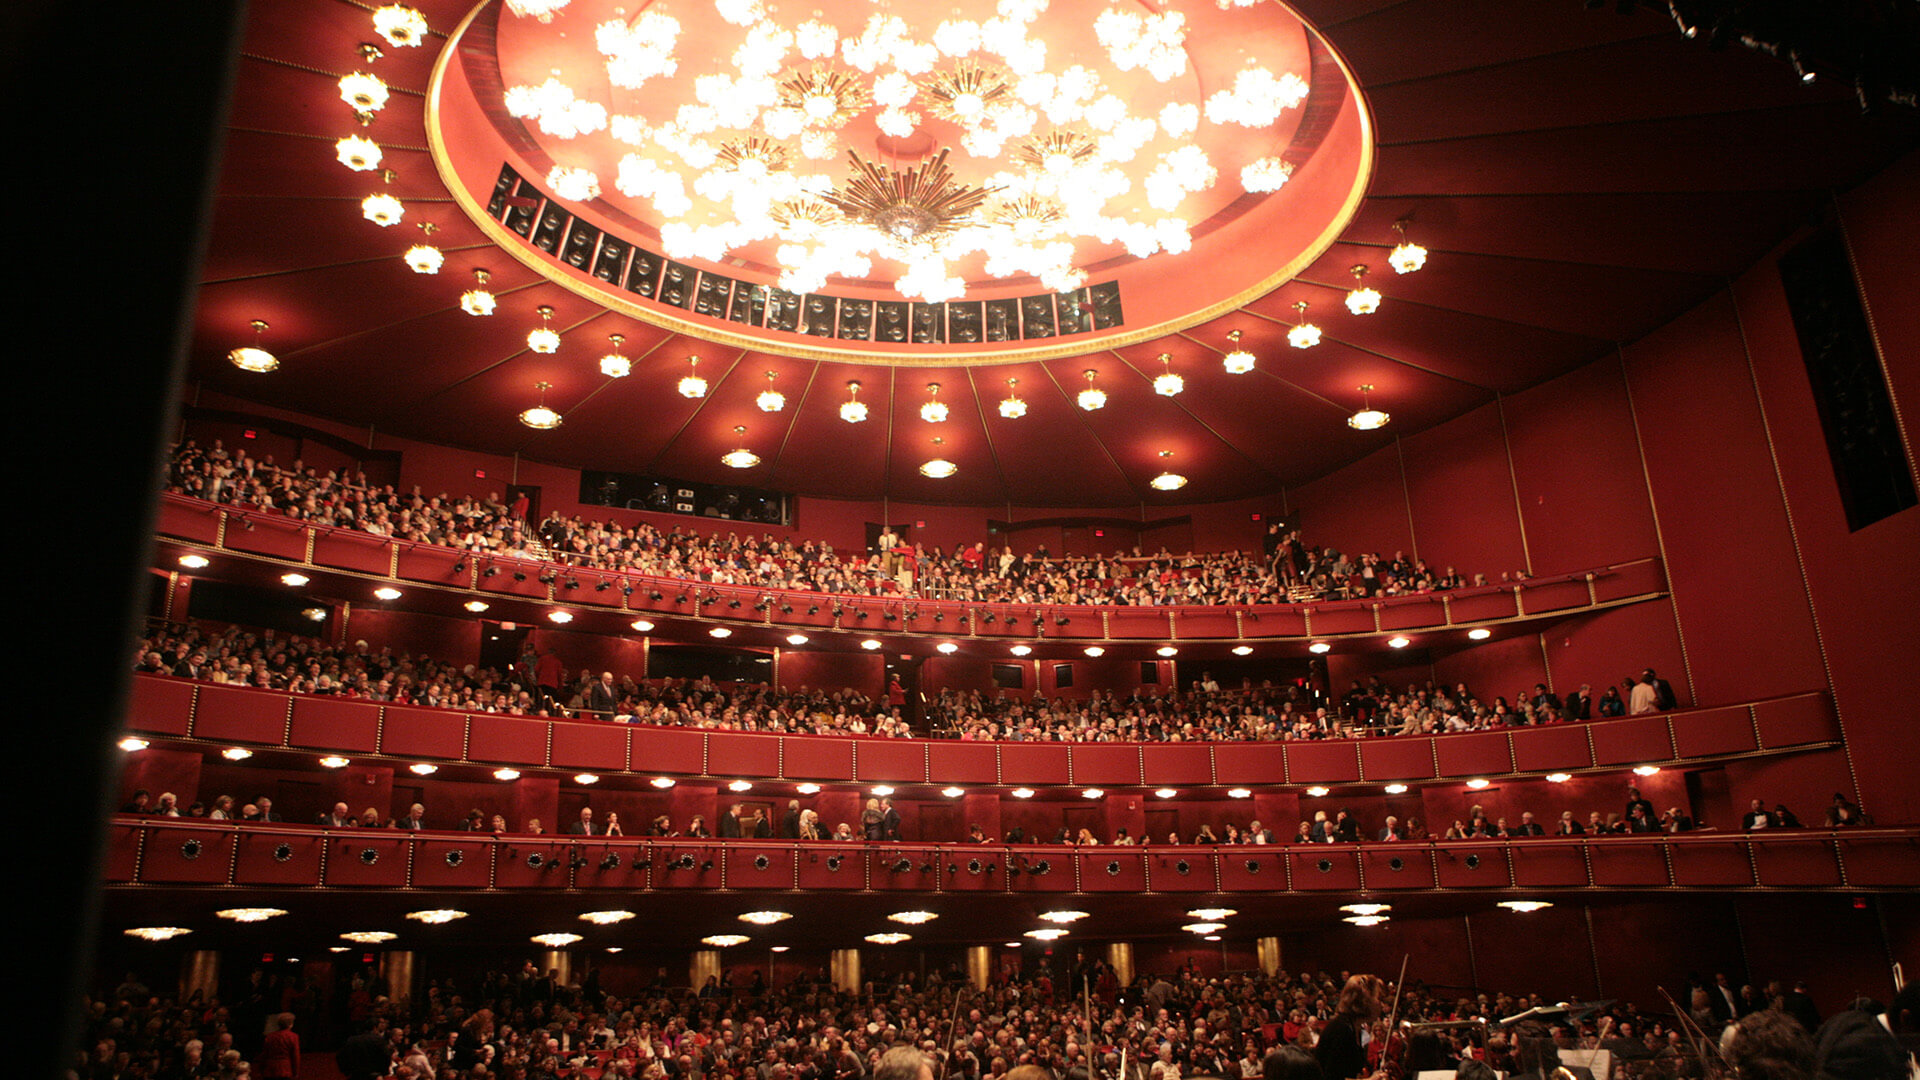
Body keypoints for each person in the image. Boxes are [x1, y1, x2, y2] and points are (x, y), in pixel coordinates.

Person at [1315, 974, 1384, 1080]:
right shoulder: (1341, 1030)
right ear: (1364, 1001)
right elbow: (1334, 1077)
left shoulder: (1354, 1027)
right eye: (1378, 998)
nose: (1381, 1004)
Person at [257, 1012, 300, 1079]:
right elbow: (295, 1055)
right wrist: (295, 1072)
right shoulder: (293, 1037)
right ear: (291, 1024)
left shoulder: (270, 1036)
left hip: (270, 1069)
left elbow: (264, 1054)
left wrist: (261, 1069)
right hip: (285, 1069)